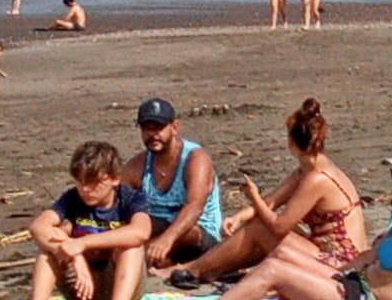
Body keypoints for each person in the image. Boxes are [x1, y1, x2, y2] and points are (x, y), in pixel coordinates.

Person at [157, 99, 368, 288]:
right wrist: (239, 217)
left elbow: (278, 226)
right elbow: (272, 201)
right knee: (259, 224)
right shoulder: (307, 170)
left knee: (261, 228)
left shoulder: (317, 178)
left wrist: (253, 197)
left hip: (342, 264)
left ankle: (194, 269)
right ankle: (209, 268)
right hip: (324, 250)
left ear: (291, 143)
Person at [218, 144, 392, 300]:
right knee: (282, 256)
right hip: (356, 282)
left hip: (366, 296)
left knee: (273, 271)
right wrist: (330, 272)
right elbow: (369, 256)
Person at [28, 141, 151, 300]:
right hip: (81, 282)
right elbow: (38, 227)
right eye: (81, 182)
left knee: (131, 247)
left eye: (95, 183)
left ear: (114, 179)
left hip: (117, 279)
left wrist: (82, 243)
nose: (86, 189)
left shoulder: (129, 199)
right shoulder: (72, 198)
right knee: (47, 252)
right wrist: (76, 256)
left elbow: (141, 232)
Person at [120, 99, 224, 268]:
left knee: (186, 235)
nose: (153, 135)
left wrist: (166, 240)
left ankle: (137, 259)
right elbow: (116, 201)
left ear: (174, 127)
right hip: (157, 227)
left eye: (159, 128)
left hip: (197, 233)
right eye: (147, 128)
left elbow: (194, 207)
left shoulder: (195, 159)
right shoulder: (137, 165)